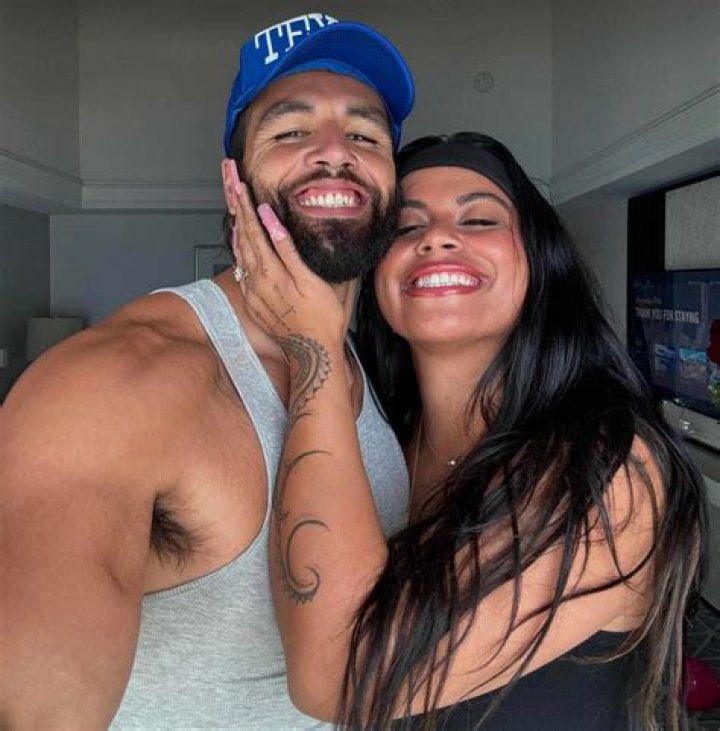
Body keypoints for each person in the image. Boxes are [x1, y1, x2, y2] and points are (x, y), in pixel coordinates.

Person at [0, 13, 413, 728]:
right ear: (234, 180)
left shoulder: (368, 359)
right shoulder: (111, 380)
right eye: (291, 131)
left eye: (366, 135)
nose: (334, 152)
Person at [231, 132, 707, 730]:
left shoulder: (611, 467)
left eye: (479, 219)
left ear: (539, 261)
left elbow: (342, 677)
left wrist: (311, 347)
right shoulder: (379, 442)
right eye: (405, 228)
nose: (436, 237)